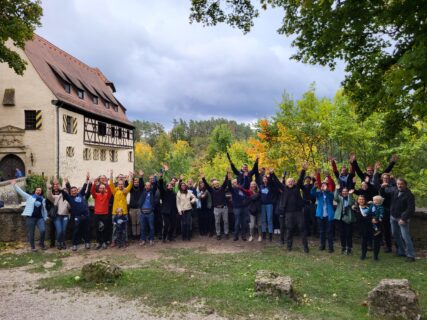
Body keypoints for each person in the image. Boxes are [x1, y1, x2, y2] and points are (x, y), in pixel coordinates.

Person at [380, 178, 416, 262]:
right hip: (393, 216)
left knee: (405, 237)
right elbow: (384, 193)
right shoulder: (395, 190)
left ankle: (411, 255)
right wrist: (382, 187)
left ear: (405, 185)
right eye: (398, 184)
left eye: (401, 184)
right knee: (395, 235)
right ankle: (402, 251)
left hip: (402, 219)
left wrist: (403, 218)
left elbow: (411, 209)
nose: (399, 185)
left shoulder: (409, 195)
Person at [275, 163, 308, 253]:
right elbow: (277, 182)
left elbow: (300, 179)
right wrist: (272, 173)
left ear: (294, 182)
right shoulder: (284, 189)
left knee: (302, 228)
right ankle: (289, 246)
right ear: (286, 183)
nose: (290, 182)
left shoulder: (297, 188)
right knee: (289, 230)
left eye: (292, 181)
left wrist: (303, 170)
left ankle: (305, 247)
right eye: (289, 181)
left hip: (298, 212)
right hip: (288, 213)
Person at [11, 179, 47, 251]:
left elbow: (44, 209)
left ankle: (41, 243)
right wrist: (14, 185)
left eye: (40, 190)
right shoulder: (30, 197)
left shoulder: (43, 199)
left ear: (41, 191)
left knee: (43, 230)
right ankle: (33, 247)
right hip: (30, 218)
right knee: (31, 233)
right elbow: (21, 192)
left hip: (40, 218)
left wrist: (45, 215)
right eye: (37, 190)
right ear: (35, 191)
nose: (38, 191)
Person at [60, 174, 91, 251]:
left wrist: (87, 179)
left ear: (77, 191)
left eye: (75, 191)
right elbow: (65, 191)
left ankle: (87, 242)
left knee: (86, 229)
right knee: (76, 230)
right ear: (70, 192)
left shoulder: (80, 194)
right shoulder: (69, 198)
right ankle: (74, 244)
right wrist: (66, 182)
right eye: (72, 191)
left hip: (86, 216)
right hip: (77, 217)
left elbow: (84, 187)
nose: (73, 192)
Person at [202, 173, 229, 240]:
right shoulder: (212, 190)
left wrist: (227, 174)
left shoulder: (222, 188)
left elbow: (225, 182)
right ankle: (218, 234)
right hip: (216, 209)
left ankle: (226, 233)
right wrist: (203, 178)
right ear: (213, 185)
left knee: (226, 221)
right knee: (217, 222)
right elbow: (207, 185)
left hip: (224, 208)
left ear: (219, 184)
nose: (216, 184)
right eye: (215, 184)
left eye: (217, 183)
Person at [109, 170, 133, 246]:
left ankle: (125, 240)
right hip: (115, 213)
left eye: (122, 184)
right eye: (119, 184)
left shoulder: (125, 191)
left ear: (123, 184)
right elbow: (111, 184)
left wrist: (131, 176)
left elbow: (131, 184)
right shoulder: (115, 191)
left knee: (124, 228)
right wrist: (111, 174)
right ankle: (114, 241)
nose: (121, 185)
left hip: (124, 212)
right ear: (118, 184)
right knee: (115, 228)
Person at [311, 180, 335, 253]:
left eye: (325, 185)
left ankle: (330, 247)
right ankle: (322, 245)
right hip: (320, 215)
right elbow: (312, 193)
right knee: (321, 231)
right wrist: (314, 187)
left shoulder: (330, 193)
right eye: (322, 185)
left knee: (329, 231)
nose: (323, 186)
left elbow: (331, 197)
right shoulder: (319, 194)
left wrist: (326, 190)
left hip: (329, 215)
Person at [46, 179, 71, 250]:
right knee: (59, 231)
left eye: (66, 190)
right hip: (57, 216)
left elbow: (71, 207)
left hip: (65, 216)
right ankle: (59, 242)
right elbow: (49, 196)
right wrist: (49, 189)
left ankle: (63, 242)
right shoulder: (57, 196)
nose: (65, 191)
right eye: (64, 190)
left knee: (64, 230)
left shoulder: (69, 199)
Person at [256, 168, 278, 242]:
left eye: (266, 179)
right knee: (263, 220)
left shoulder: (270, 186)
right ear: (262, 180)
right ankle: (264, 234)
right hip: (262, 205)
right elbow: (259, 194)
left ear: (267, 179)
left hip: (269, 205)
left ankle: (270, 235)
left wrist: (271, 173)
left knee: (269, 220)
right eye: (264, 179)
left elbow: (272, 180)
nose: (265, 180)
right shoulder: (260, 186)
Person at [333, 185, 356, 255]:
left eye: (346, 191)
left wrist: (350, 194)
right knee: (342, 233)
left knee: (348, 234)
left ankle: (349, 248)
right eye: (343, 191)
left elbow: (350, 203)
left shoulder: (351, 197)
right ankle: (343, 247)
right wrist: (336, 189)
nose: (344, 192)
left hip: (348, 218)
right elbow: (335, 198)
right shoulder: (340, 198)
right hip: (340, 218)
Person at [91, 177, 112, 250]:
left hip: (105, 214)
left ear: (105, 189)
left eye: (103, 188)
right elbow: (92, 191)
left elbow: (110, 192)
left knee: (105, 229)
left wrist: (107, 184)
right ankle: (98, 242)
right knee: (97, 229)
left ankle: (104, 242)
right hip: (97, 214)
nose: (102, 189)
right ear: (99, 189)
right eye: (101, 188)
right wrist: (94, 183)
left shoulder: (107, 195)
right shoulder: (96, 195)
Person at [227, 174, 250, 241]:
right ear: (232, 184)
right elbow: (229, 186)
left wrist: (245, 176)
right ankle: (236, 236)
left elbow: (245, 184)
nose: (235, 183)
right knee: (237, 222)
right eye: (233, 182)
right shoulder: (233, 190)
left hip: (244, 207)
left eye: (236, 182)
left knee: (243, 223)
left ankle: (243, 236)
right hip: (237, 208)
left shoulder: (241, 188)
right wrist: (229, 179)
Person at [158, 173, 177, 242]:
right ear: (166, 187)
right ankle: (164, 237)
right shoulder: (164, 193)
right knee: (166, 225)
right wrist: (161, 178)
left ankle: (170, 237)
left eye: (171, 185)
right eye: (169, 185)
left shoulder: (174, 194)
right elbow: (160, 186)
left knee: (172, 226)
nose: (170, 186)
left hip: (173, 212)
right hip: (165, 212)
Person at [353, 195, 373, 260]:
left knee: (371, 240)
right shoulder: (356, 208)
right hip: (361, 228)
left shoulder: (369, 207)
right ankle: (363, 254)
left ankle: (375, 255)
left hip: (370, 226)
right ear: (358, 200)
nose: (361, 201)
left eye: (363, 199)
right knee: (363, 241)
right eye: (360, 199)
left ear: (365, 200)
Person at [139, 181, 157, 245]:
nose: (147, 186)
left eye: (149, 185)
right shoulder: (142, 192)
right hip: (143, 213)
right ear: (145, 186)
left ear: (150, 186)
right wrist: (141, 177)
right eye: (146, 185)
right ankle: (143, 240)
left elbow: (155, 186)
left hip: (150, 213)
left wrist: (155, 178)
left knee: (151, 227)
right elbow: (140, 185)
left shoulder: (152, 192)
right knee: (143, 227)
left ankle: (151, 239)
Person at [129, 171, 144, 240]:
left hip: (139, 208)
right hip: (132, 208)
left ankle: (138, 234)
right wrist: (132, 177)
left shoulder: (141, 189)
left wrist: (141, 177)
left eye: (137, 182)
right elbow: (129, 184)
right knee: (133, 223)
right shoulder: (131, 189)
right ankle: (134, 234)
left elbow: (141, 184)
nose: (136, 183)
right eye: (135, 182)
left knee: (138, 222)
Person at [368, 195, 384, 260]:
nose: (374, 201)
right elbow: (368, 212)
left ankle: (375, 255)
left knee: (376, 238)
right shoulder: (372, 206)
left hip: (377, 222)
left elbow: (381, 213)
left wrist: (379, 218)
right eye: (373, 200)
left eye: (375, 200)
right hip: (371, 221)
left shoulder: (381, 207)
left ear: (378, 201)